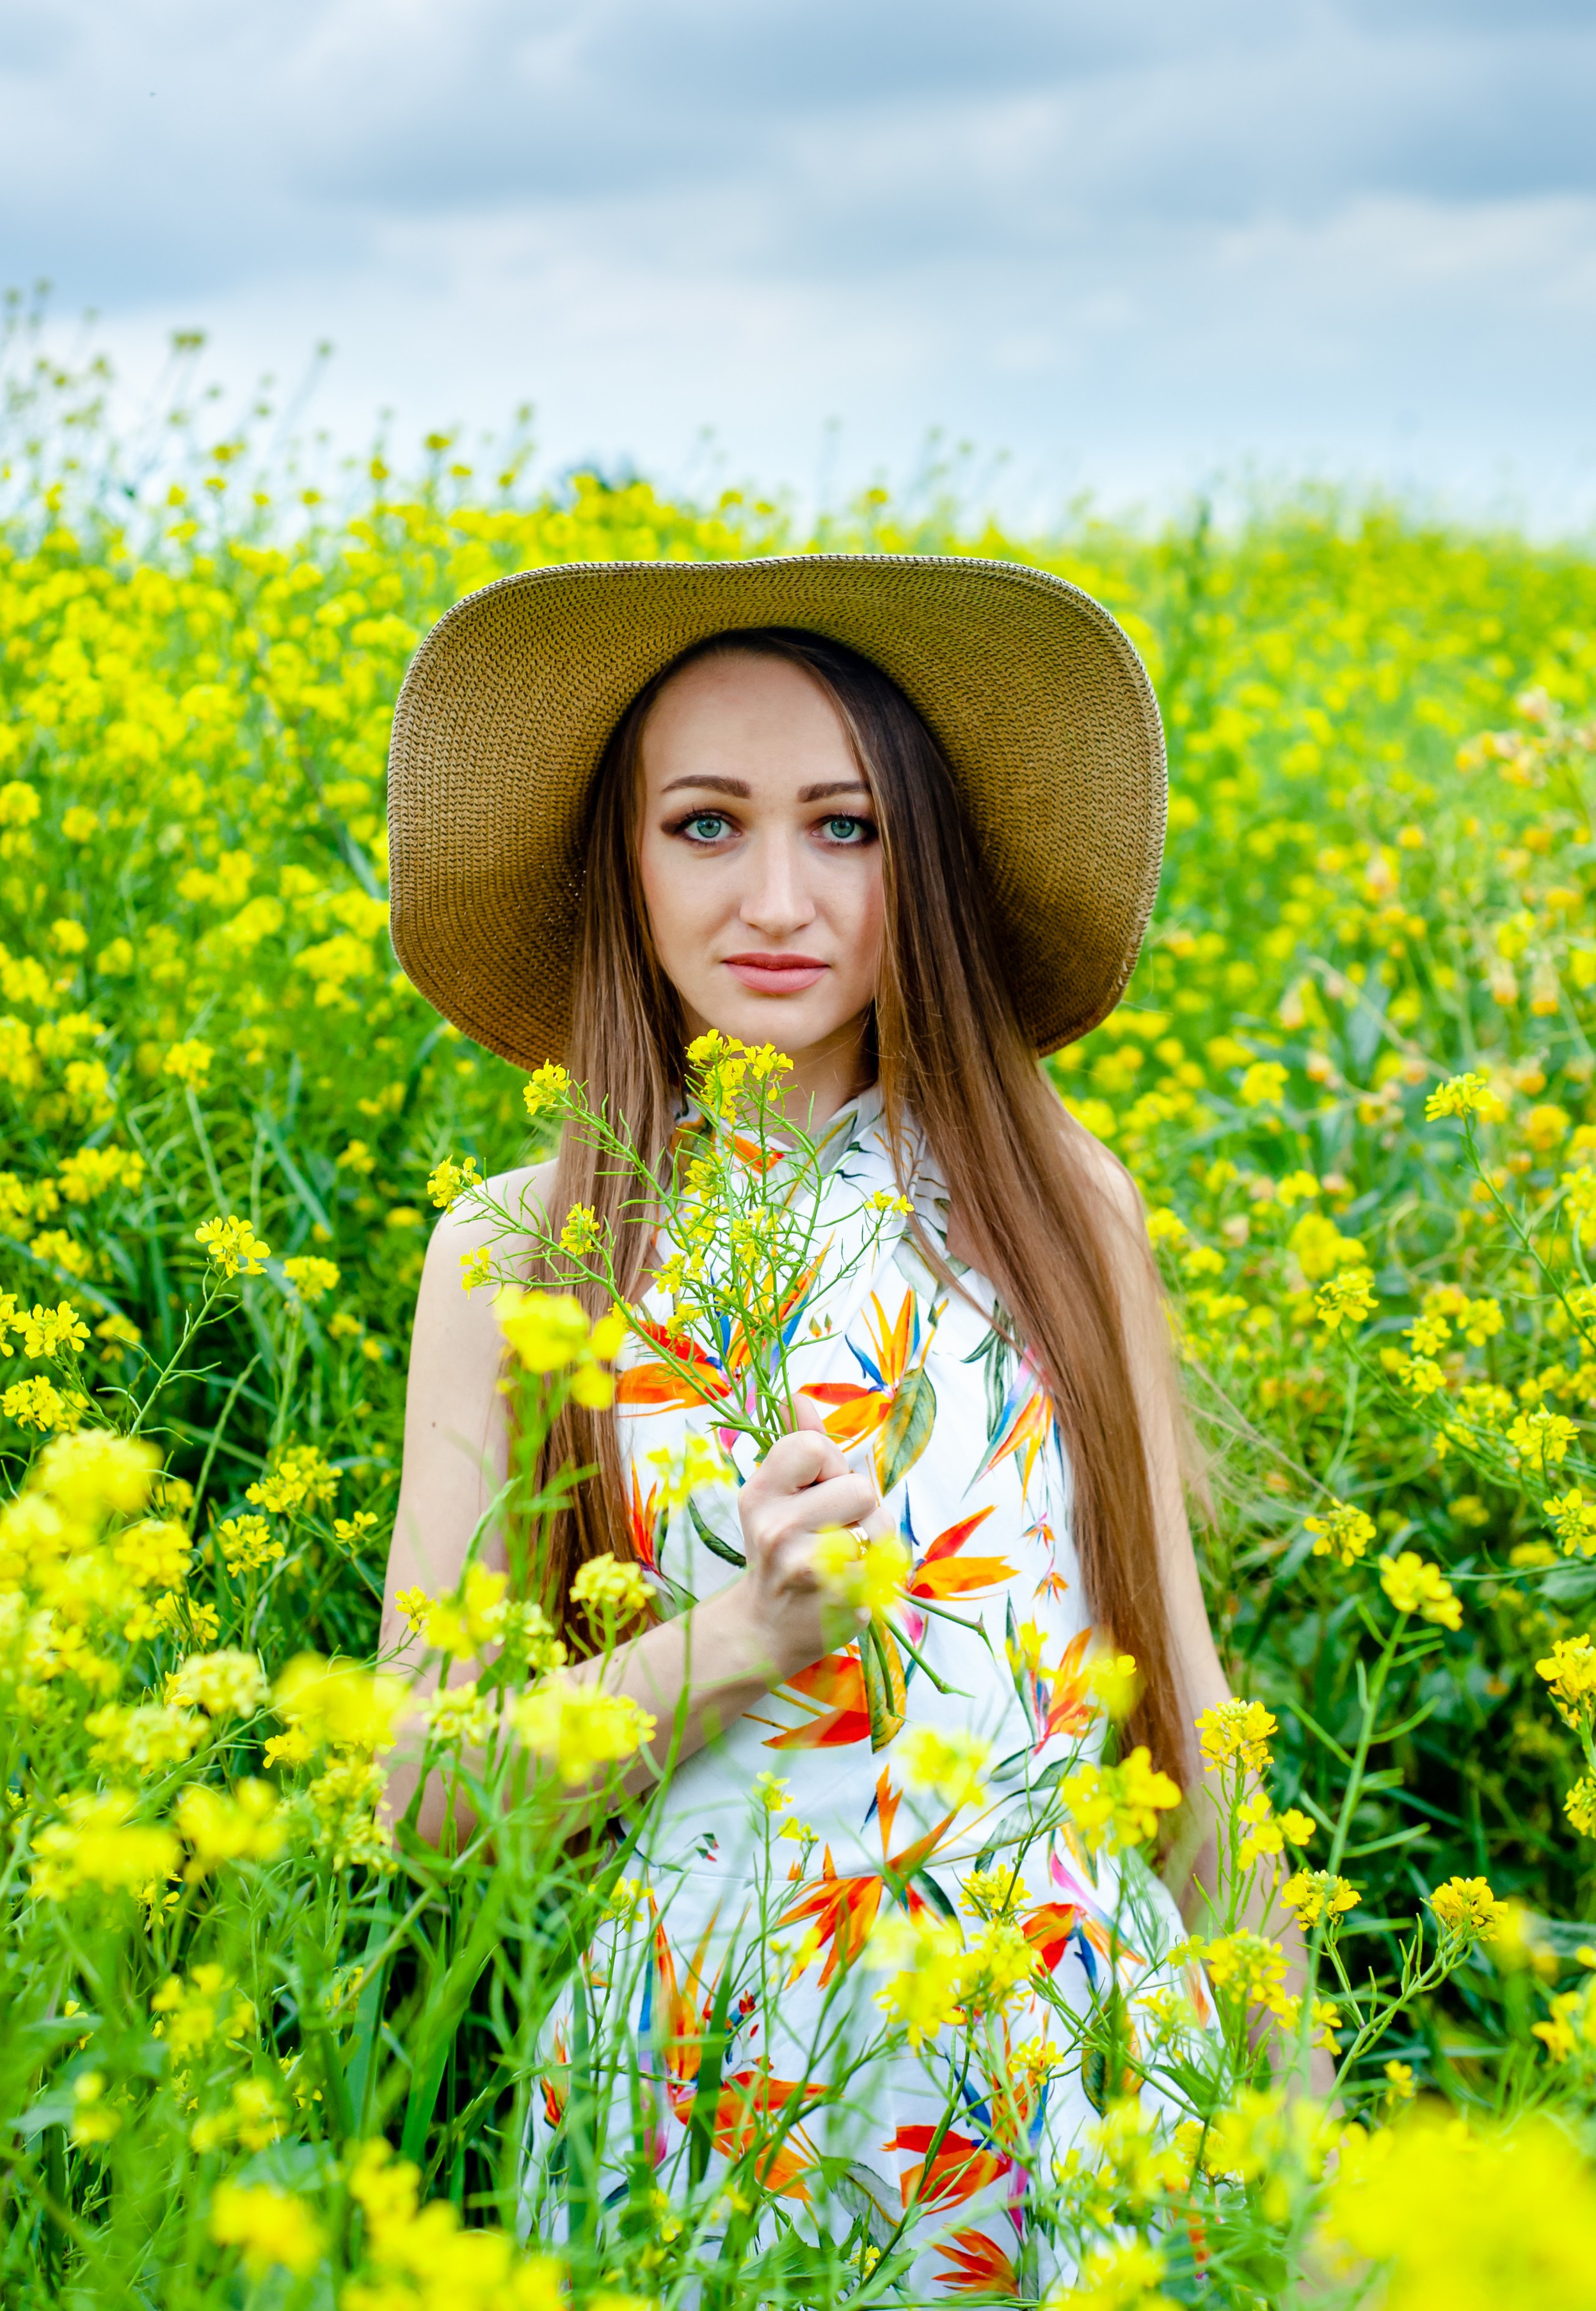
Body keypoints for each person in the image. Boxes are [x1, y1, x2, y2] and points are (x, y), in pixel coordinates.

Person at [379, 555, 1247, 2291]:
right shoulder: (516, 1250)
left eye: (845, 827)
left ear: (919, 861)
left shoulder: (1065, 1202)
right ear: (617, 868)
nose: (777, 895)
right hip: (712, 2072)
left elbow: (1189, 1711)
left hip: (1071, 2060)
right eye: (705, 825)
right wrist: (743, 1634)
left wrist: (1310, 2173)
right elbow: (417, 1789)